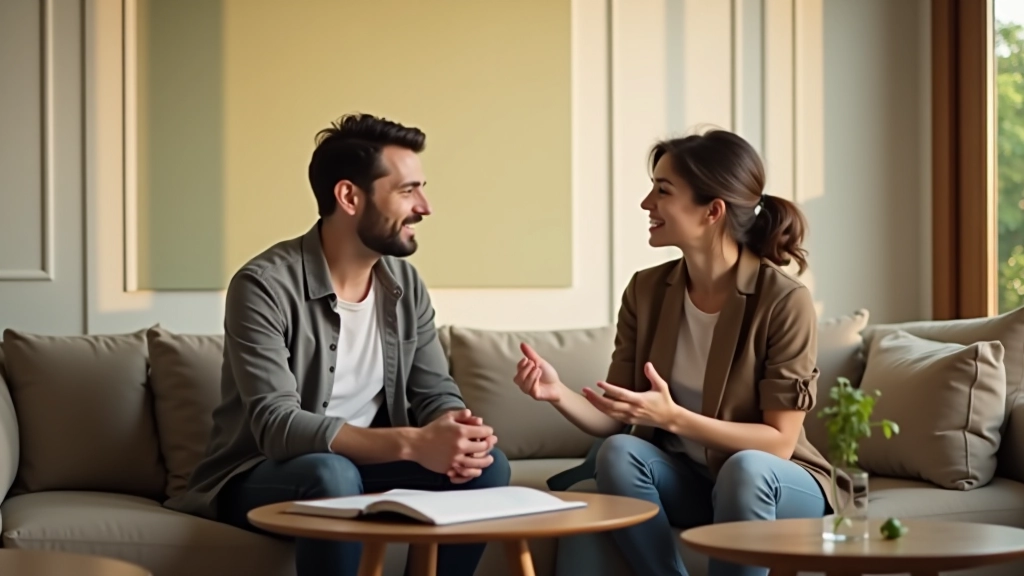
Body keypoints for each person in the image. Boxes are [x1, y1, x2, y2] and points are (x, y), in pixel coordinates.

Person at [167, 113, 511, 576]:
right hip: (264, 472)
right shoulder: (263, 285)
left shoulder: (404, 284)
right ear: (350, 196)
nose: (424, 207)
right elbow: (277, 426)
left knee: (488, 468)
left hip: (363, 468)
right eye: (407, 190)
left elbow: (433, 390)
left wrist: (454, 431)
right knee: (331, 474)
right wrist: (413, 443)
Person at [512, 129, 845, 576]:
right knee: (617, 451)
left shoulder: (783, 300)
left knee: (745, 470)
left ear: (712, 211)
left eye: (662, 191)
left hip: (774, 483)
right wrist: (556, 394)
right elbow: (618, 417)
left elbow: (779, 443)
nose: (647, 204)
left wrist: (674, 419)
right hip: (690, 480)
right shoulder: (646, 290)